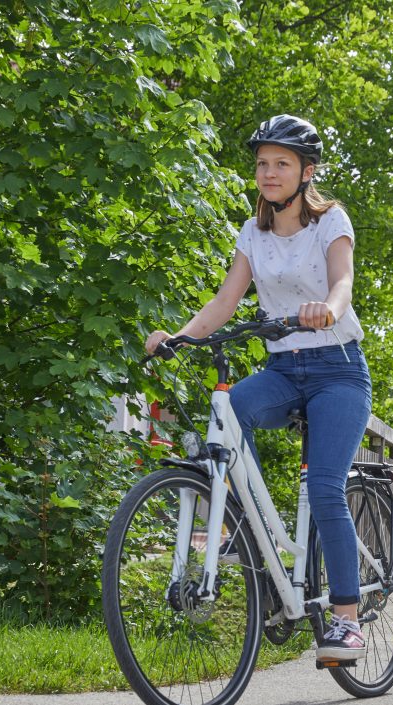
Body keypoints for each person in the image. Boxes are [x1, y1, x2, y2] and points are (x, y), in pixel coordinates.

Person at [145, 114, 370, 662]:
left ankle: (346, 619)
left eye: (281, 164)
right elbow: (226, 301)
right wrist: (178, 335)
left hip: (338, 369)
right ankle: (250, 537)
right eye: (263, 164)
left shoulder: (330, 221)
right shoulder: (254, 231)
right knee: (225, 421)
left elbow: (342, 281)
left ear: (306, 172)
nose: (269, 173)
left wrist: (328, 309)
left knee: (323, 489)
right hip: (282, 371)